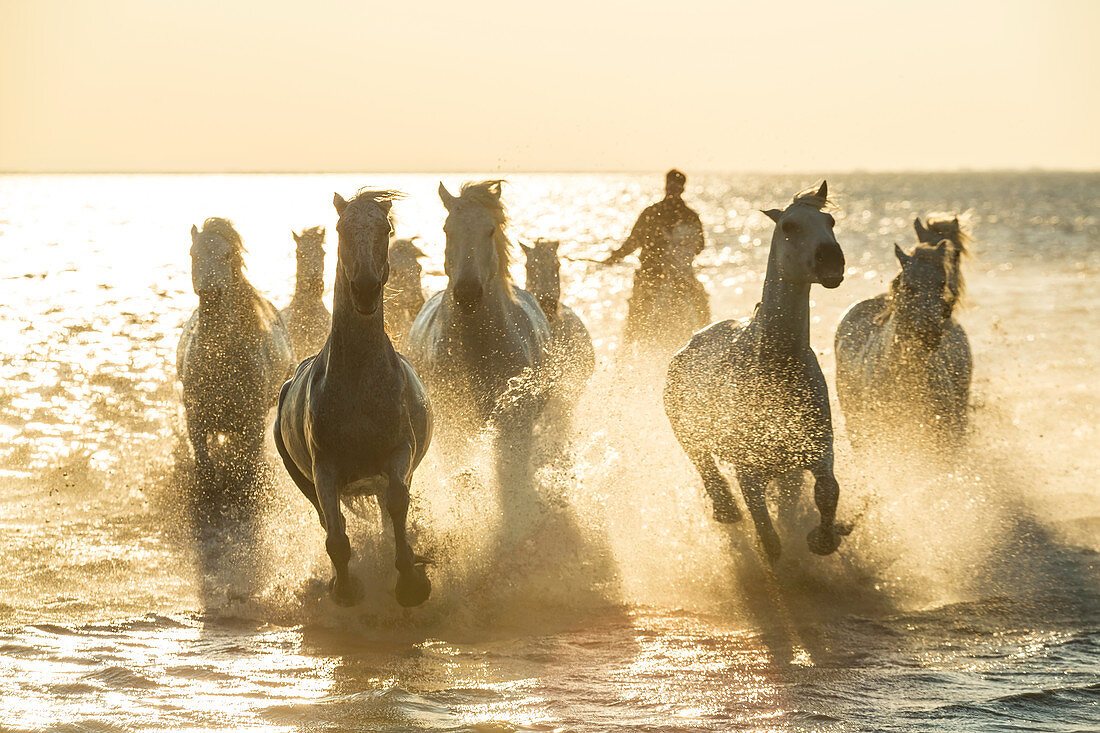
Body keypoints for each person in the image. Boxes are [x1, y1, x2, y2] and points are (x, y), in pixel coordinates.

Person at [605, 169, 710, 346]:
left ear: (683, 188)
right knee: (637, 312)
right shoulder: (651, 213)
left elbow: (699, 246)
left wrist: (679, 251)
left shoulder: (691, 216)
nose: (672, 188)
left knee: (701, 303)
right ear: (665, 185)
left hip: (681, 274)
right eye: (670, 184)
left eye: (676, 185)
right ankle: (628, 350)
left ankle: (705, 344)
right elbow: (634, 241)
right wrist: (616, 257)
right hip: (651, 273)